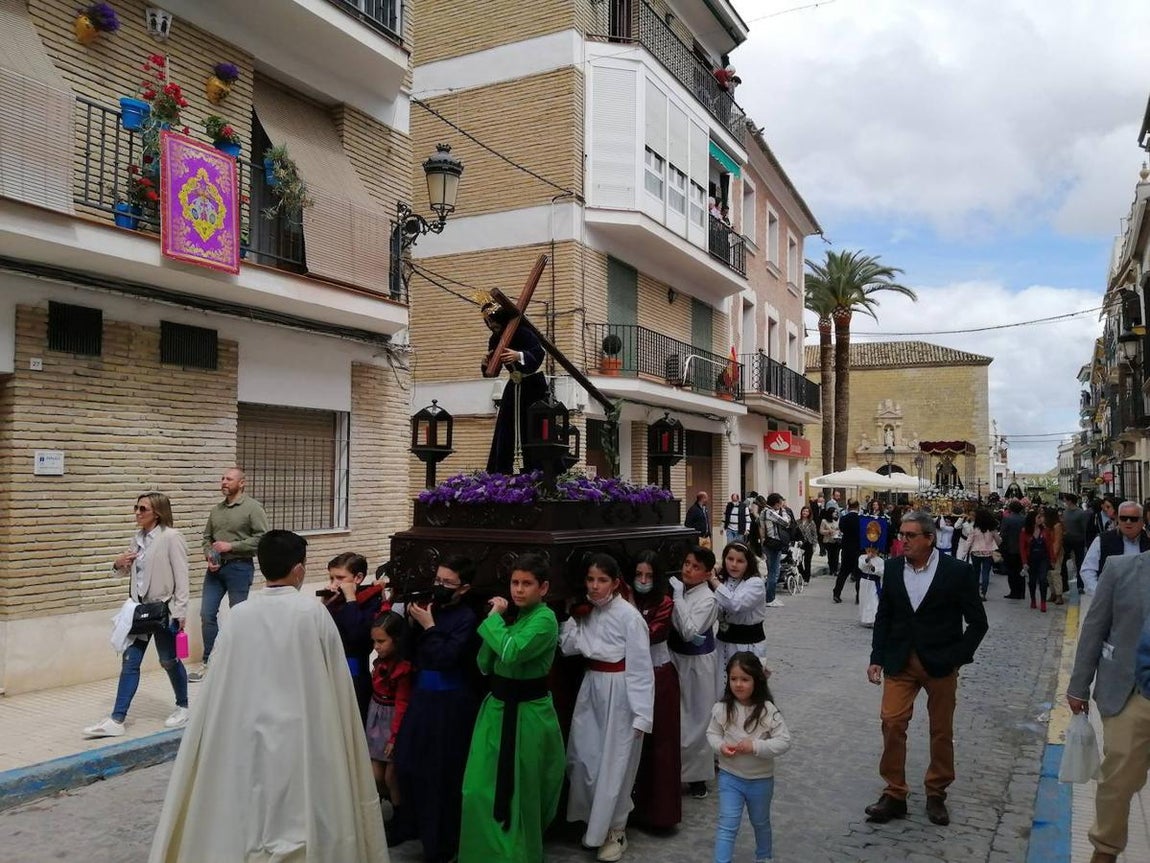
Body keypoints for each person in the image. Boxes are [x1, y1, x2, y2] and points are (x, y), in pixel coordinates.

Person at [148, 530, 386, 862]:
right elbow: (335, 680)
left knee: (251, 799)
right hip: (302, 730)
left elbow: (221, 682)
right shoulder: (312, 614)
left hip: (249, 727)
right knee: (300, 807)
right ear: (299, 569)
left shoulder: (239, 615)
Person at [864, 511, 989, 827]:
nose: (902, 540)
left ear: (929, 538)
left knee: (940, 730)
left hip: (939, 663)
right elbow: (884, 617)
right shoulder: (892, 569)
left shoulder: (957, 572)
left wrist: (957, 657)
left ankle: (936, 791)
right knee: (891, 722)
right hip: (900, 660)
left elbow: (978, 622)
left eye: (909, 535)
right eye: (901, 535)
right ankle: (894, 793)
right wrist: (876, 656)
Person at [460, 553, 565, 863]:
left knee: (523, 789)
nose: (518, 590)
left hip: (529, 714)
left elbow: (511, 651)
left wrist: (494, 621)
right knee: (479, 787)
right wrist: (500, 623)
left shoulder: (545, 619)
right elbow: (483, 664)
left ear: (543, 587)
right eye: (514, 583)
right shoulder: (515, 617)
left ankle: (518, 854)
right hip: (496, 710)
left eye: (527, 584)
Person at [561, 553, 654, 862]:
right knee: (584, 759)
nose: (595, 586)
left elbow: (641, 668)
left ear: (615, 583)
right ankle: (592, 824)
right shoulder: (586, 612)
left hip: (621, 694)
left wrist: (642, 715)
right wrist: (570, 617)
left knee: (616, 765)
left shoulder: (629, 616)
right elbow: (569, 646)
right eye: (590, 580)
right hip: (592, 689)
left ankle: (615, 830)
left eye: (602, 580)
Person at [389, 555, 480, 863]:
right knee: (407, 764)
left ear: (463, 588)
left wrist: (429, 628)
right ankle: (412, 825)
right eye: (437, 580)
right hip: (422, 698)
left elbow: (447, 657)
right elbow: (410, 654)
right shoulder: (432, 609)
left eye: (447, 583)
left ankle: (441, 845)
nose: (439, 587)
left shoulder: (467, 617)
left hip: (449, 703)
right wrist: (414, 626)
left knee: (440, 774)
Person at [1067, 545, 1150, 863]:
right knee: (1119, 778)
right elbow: (1094, 628)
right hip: (1131, 692)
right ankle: (1105, 849)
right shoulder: (1121, 569)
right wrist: (1078, 686)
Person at [84, 492, 190, 738]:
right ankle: (117, 719)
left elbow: (182, 577)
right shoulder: (138, 538)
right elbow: (130, 573)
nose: (137, 513)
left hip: (164, 610)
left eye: (143, 509)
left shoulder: (171, 537)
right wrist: (119, 563)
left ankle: (183, 706)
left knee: (168, 660)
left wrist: (181, 611)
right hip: (140, 611)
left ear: (157, 513)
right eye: (136, 508)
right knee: (130, 662)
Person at [707, 652, 791, 863]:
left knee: (760, 822)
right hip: (730, 777)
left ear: (757, 680)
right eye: (734, 679)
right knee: (727, 823)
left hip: (760, 780)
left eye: (745, 679)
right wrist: (720, 746)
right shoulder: (722, 709)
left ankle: (764, 857)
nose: (739, 684)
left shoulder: (767, 711)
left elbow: (784, 741)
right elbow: (712, 733)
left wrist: (755, 746)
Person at [190, 467, 268, 683]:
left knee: (239, 616)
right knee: (207, 614)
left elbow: (262, 539)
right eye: (222, 478)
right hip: (215, 570)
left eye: (229, 479)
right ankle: (209, 662)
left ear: (242, 483)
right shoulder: (216, 510)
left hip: (240, 568)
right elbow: (207, 538)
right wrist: (209, 555)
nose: (223, 482)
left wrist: (230, 546)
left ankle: (240, 662)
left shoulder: (253, 508)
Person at [626, 551, 682, 831]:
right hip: (632, 678)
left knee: (660, 744)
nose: (643, 580)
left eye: (649, 575)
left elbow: (650, 635)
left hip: (659, 677)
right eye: (638, 575)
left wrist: (631, 609)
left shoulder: (665, 602)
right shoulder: (624, 602)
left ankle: (660, 814)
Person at [670, 545, 720, 800]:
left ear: (707, 573)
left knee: (698, 718)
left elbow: (690, 631)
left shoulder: (708, 599)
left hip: (698, 664)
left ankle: (698, 775)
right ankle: (674, 772)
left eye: (696, 567)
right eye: (687, 563)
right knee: (676, 716)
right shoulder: (683, 591)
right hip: (676, 657)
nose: (688, 570)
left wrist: (678, 598)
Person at [481, 299, 551, 475]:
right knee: (507, 428)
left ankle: (535, 470)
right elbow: (493, 370)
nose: (491, 325)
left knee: (532, 428)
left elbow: (538, 352)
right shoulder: (495, 339)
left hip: (532, 386)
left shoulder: (523, 333)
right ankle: (504, 470)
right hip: (514, 386)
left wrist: (519, 355)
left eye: (493, 320)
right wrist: (486, 364)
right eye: (487, 322)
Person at [322, 552, 386, 719]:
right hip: (331, 672)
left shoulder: (371, 600)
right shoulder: (334, 601)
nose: (334, 584)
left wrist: (351, 599)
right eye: (331, 578)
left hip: (355, 676)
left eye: (340, 578)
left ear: (358, 578)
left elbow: (357, 635)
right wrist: (324, 608)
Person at [365, 611, 412, 807]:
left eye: (381, 641)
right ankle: (386, 802)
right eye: (374, 641)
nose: (376, 647)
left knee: (390, 776)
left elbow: (402, 703)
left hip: (392, 720)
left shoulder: (403, 669)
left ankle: (399, 812)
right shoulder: (380, 661)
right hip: (376, 716)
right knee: (376, 774)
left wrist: (394, 737)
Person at [709, 542, 766, 669]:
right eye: (730, 559)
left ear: (748, 563)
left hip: (747, 646)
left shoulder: (755, 583)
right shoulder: (724, 580)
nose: (734, 565)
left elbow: (735, 604)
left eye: (740, 561)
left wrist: (714, 581)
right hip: (722, 644)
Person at [1079, 500, 1150, 594]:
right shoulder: (1102, 540)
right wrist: (1100, 593)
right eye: (1124, 518)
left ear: (1142, 521)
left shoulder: (1148, 541)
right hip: (1111, 601)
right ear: (1118, 519)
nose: (1128, 522)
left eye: (1133, 519)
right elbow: (1088, 570)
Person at [1020, 509, 1057, 613]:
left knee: (1043, 580)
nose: (1041, 519)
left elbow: (1049, 546)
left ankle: (1043, 602)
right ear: (1033, 519)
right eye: (1038, 517)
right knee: (1032, 581)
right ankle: (1033, 599)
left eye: (1041, 517)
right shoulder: (1025, 531)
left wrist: (1052, 559)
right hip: (1031, 559)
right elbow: (1022, 548)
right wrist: (1024, 562)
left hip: (1043, 558)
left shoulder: (1045, 530)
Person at [759, 494, 791, 609]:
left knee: (773, 572)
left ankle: (767, 596)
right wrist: (783, 511)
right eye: (780, 504)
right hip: (772, 543)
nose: (781, 506)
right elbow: (786, 522)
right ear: (776, 503)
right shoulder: (769, 512)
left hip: (771, 544)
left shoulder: (767, 511)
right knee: (774, 572)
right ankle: (769, 599)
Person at [968, 508, 1000, 601]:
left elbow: (969, 541)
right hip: (988, 553)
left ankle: (975, 593)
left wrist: (965, 552)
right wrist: (994, 545)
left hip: (976, 552)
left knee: (976, 573)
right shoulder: (992, 529)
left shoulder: (975, 528)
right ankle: (983, 593)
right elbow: (998, 540)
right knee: (985, 573)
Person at [833, 500, 862, 603]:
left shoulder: (844, 518)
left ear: (848, 507)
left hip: (846, 548)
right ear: (858, 507)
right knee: (859, 574)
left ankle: (837, 593)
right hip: (858, 549)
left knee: (843, 572)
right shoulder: (861, 519)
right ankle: (858, 596)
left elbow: (842, 530)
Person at [1060, 492, 1089, 594]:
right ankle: (1064, 585)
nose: (1064, 502)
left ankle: (1080, 585)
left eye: (1065, 500)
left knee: (1079, 562)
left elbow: (1084, 528)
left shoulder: (1080, 513)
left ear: (1070, 501)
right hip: (1066, 540)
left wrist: (1084, 541)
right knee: (1062, 562)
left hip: (1078, 540)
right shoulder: (1065, 512)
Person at [999, 500, 1027, 599]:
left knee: (1011, 571)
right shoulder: (1024, 519)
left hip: (1010, 548)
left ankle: (1014, 591)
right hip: (1022, 549)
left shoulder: (1007, 519)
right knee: (1021, 570)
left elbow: (1003, 534)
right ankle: (1022, 592)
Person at [1043, 506, 1066, 606]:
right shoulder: (1048, 526)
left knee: (1055, 573)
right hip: (1048, 551)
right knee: (1049, 574)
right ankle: (1053, 593)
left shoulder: (1057, 526)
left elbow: (1057, 542)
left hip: (1055, 552)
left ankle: (1059, 595)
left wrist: (1054, 556)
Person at [857, 546, 884, 628]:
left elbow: (882, 571)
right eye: (868, 550)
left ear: (877, 550)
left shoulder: (880, 560)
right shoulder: (862, 557)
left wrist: (873, 568)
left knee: (873, 599)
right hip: (864, 581)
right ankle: (865, 619)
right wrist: (867, 559)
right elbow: (861, 566)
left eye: (873, 550)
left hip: (873, 582)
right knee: (864, 599)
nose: (871, 552)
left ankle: (874, 619)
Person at [794, 506, 818, 582]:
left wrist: (814, 545)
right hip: (800, 544)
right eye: (804, 511)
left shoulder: (811, 522)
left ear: (809, 513)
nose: (805, 513)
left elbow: (814, 535)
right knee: (799, 562)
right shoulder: (797, 522)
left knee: (807, 562)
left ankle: (806, 579)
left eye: (807, 511)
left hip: (808, 544)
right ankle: (802, 575)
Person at [820, 509, 842, 580]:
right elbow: (821, 531)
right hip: (828, 541)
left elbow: (840, 529)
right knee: (830, 555)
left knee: (836, 555)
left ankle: (835, 570)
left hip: (837, 540)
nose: (835, 513)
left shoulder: (837, 520)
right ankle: (831, 569)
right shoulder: (824, 521)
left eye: (836, 512)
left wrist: (839, 531)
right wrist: (828, 531)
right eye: (834, 512)